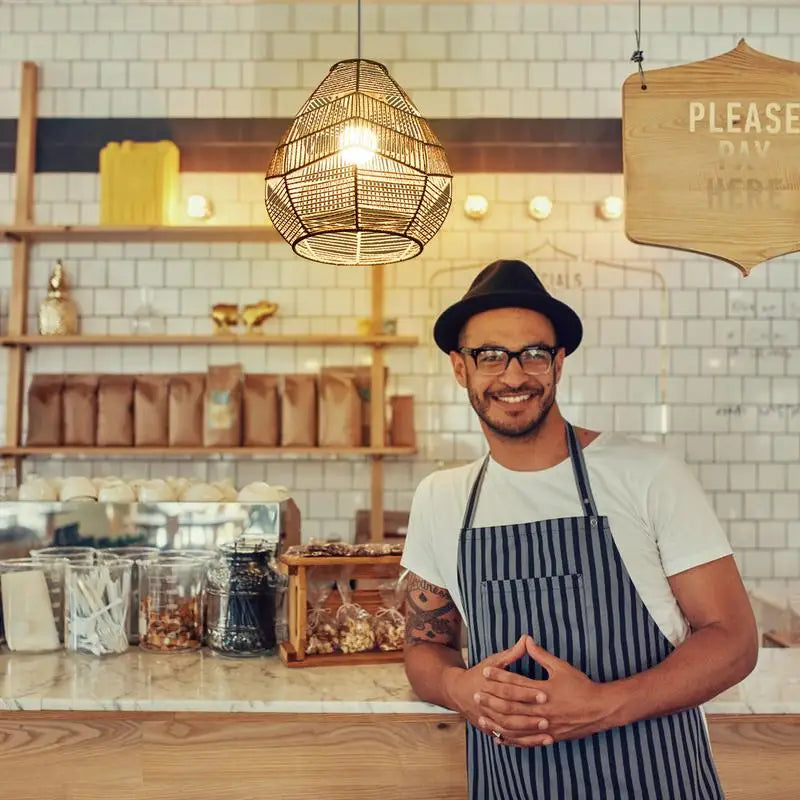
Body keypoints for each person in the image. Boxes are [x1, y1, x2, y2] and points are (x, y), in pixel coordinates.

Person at [401, 259, 758, 800]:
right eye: (490, 355)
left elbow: (734, 642)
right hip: (512, 785)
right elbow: (426, 649)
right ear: (460, 367)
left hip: (655, 779)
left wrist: (601, 707)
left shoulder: (647, 473)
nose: (514, 375)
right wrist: (458, 688)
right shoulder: (441, 498)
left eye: (534, 354)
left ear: (558, 363)